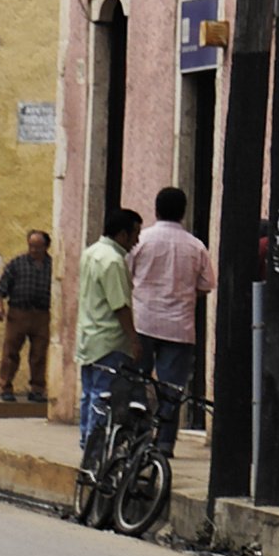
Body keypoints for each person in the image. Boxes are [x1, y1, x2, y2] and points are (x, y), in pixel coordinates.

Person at [125, 184, 211, 437]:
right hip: (179, 327)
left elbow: (125, 274)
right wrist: (184, 295)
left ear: (156, 210)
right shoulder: (195, 246)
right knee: (171, 388)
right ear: (183, 212)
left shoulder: (142, 242)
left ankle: (138, 433)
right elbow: (207, 285)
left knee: (137, 381)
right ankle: (164, 441)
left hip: (143, 322)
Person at [72, 206, 139, 472]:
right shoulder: (112, 261)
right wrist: (134, 339)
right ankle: (94, 453)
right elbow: (120, 305)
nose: (137, 241)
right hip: (109, 341)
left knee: (90, 396)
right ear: (122, 234)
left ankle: (87, 447)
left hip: (89, 338)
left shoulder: (91, 253)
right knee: (102, 399)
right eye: (135, 234)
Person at [0, 231, 53, 405]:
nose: (33, 250)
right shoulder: (17, 264)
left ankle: (37, 390)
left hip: (41, 314)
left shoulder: (52, 266)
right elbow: (1, 287)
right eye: (31, 246)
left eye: (37, 247)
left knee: (39, 354)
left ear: (46, 247)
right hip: (18, 312)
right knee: (11, 351)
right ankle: (5, 387)